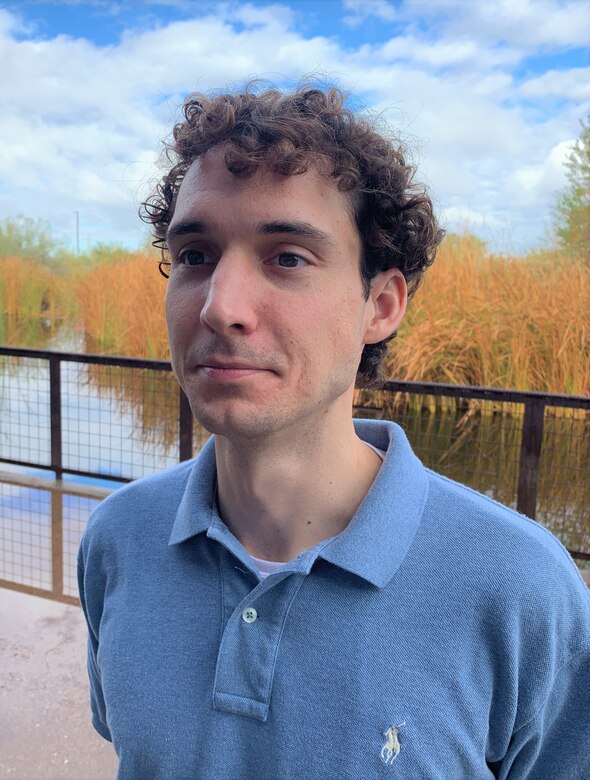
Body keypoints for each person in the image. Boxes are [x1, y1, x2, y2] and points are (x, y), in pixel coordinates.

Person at [78, 83, 590, 779]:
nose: (221, 307)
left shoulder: (522, 591)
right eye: (195, 255)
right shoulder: (118, 540)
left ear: (380, 306)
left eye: (287, 257)